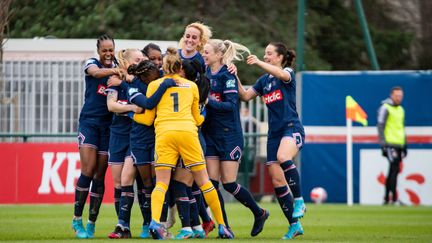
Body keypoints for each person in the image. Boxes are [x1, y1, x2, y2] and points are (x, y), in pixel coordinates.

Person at [132, 47, 233, 239]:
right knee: (204, 182)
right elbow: (197, 119)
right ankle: (222, 225)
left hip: (165, 134)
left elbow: (147, 119)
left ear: (163, 67)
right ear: (180, 68)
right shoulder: (192, 86)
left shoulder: (155, 85)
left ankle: (155, 223)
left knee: (161, 183)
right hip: (188, 133)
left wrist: (131, 114)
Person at [237, 42, 306, 239]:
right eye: (264, 53)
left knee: (283, 156)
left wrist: (258, 61)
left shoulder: (287, 73)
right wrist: (233, 74)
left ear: (280, 57)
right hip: (274, 134)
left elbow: (283, 75)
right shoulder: (264, 80)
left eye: (269, 53)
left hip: (291, 128)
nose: (265, 56)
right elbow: (245, 96)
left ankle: (299, 200)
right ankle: (294, 225)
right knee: (277, 180)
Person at [202, 39, 269, 237]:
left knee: (229, 183)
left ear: (218, 55)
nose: (204, 55)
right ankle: (225, 226)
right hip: (210, 134)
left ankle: (260, 212)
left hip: (229, 135)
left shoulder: (227, 75)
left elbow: (231, 106)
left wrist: (207, 101)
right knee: (212, 185)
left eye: (206, 52)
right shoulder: (205, 74)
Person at [107, 59, 175, 239]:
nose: (159, 73)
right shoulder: (134, 88)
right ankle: (142, 225)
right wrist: (164, 85)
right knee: (147, 183)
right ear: (145, 76)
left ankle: (159, 225)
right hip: (140, 138)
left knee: (157, 182)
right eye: (154, 72)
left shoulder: (160, 77)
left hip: (159, 136)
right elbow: (149, 103)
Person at [72, 34, 120, 239]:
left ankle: (91, 222)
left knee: (100, 175)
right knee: (88, 171)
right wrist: (116, 71)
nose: (108, 53)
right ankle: (76, 219)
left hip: (109, 127)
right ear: (98, 51)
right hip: (90, 124)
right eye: (105, 50)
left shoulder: (119, 65)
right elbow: (95, 72)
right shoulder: (91, 63)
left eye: (111, 50)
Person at [106, 48, 145, 220]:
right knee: (118, 183)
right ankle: (124, 225)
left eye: (142, 60)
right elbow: (111, 106)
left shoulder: (142, 82)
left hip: (135, 135)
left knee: (130, 179)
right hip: (117, 136)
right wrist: (131, 108)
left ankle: (146, 224)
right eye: (136, 60)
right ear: (126, 62)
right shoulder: (116, 81)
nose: (140, 63)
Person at [377, 86, 407, 205]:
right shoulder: (385, 108)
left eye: (400, 96)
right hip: (390, 144)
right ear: (391, 95)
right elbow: (380, 126)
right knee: (394, 170)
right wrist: (383, 144)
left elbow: (401, 128)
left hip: (399, 144)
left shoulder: (401, 110)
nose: (399, 98)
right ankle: (393, 198)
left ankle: (386, 198)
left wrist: (405, 145)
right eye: (397, 95)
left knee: (393, 170)